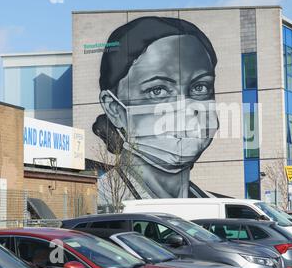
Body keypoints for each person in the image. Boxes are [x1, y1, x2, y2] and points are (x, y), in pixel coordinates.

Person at [92, 16, 219, 199]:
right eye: (158, 91)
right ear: (113, 108)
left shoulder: (214, 205)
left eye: (200, 87)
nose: (185, 109)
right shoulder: (102, 200)